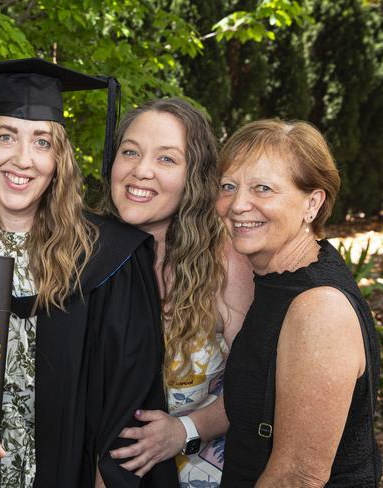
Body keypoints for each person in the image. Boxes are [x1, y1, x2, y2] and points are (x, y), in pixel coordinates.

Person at [0, 58, 177, 488]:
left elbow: (127, 405)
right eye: (5, 136)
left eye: (42, 142)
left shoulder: (112, 256)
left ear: (59, 158)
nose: (23, 160)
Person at [216, 119, 382, 487]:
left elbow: (296, 477)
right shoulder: (280, 278)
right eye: (229, 186)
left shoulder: (318, 309)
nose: (238, 204)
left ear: (312, 202)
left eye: (263, 188)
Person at [101, 98, 254, 486]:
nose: (141, 170)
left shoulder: (226, 263)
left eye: (166, 159)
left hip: (199, 472)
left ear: (194, 175)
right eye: (130, 152)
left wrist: (185, 429)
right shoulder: (82, 255)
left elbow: (257, 384)